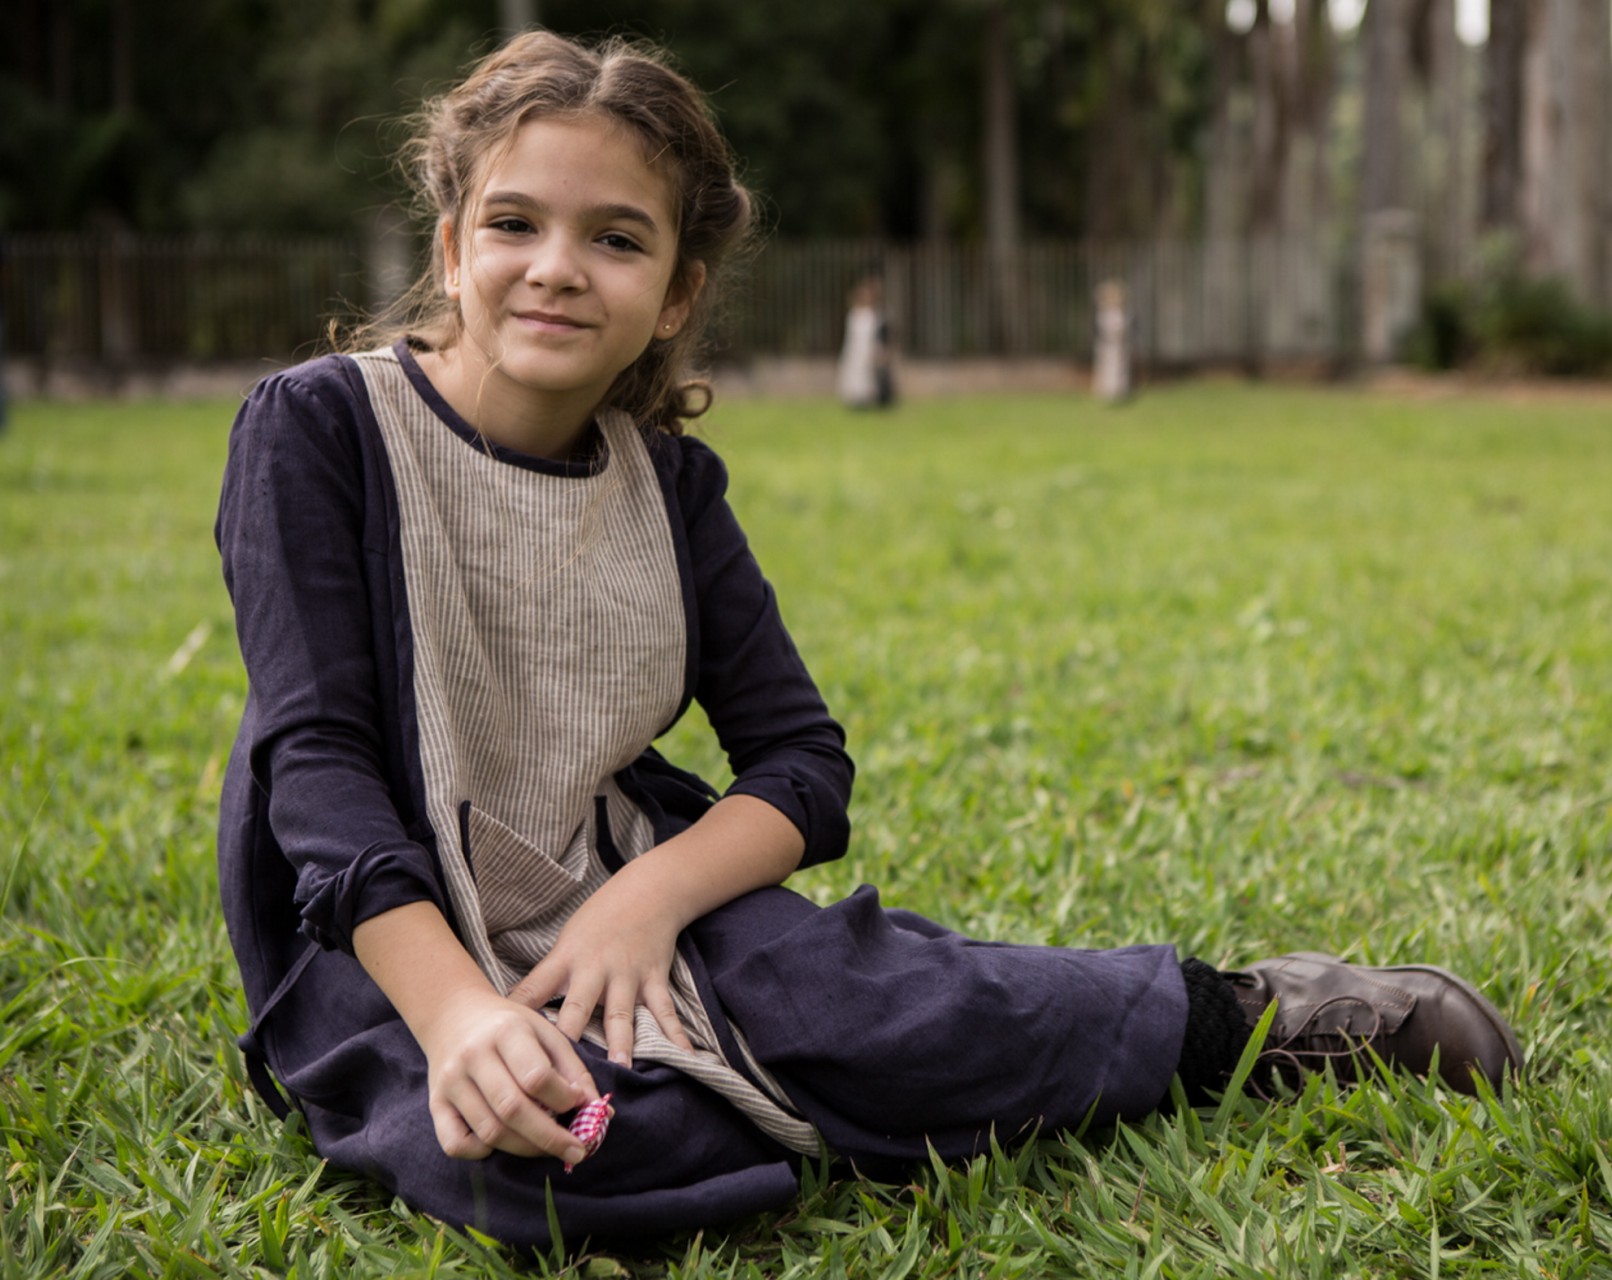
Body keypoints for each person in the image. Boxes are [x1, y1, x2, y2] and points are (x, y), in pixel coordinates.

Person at [214, 31, 1521, 1250]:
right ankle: (749, 1078)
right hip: (378, 950)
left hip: (620, 891)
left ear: (676, 295)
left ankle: (1254, 1019)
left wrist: (639, 906)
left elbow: (800, 766)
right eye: (515, 224)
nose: (557, 266)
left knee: (878, 1004)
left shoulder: (672, 490)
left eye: (616, 238)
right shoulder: (321, 430)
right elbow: (317, 769)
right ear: (451, 249)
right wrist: (457, 1020)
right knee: (578, 1158)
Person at [836, 276, 893, 408]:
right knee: (854, 374)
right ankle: (855, 399)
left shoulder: (875, 315)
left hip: (868, 350)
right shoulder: (853, 314)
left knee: (868, 377)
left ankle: (869, 399)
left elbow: (879, 335)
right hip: (855, 350)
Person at [1092, 277, 1132, 404]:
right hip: (1108, 344)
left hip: (1118, 344)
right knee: (1108, 367)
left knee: (1119, 368)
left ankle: (1118, 391)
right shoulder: (1106, 313)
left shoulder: (1119, 313)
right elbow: (1108, 328)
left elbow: (1122, 327)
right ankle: (1108, 391)